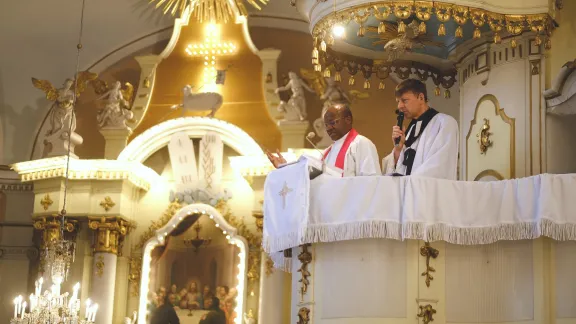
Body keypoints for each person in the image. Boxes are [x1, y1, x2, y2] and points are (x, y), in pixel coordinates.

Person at [266, 102, 380, 177]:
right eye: (326, 125)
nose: (329, 128)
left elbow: (371, 182)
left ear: (348, 120)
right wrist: (286, 167)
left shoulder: (361, 144)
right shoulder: (326, 153)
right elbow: (311, 178)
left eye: (332, 123)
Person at [382, 79, 459, 179]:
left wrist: (409, 184)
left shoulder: (444, 123)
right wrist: (398, 148)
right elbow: (401, 169)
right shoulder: (410, 130)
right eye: (398, 101)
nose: (399, 106)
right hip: (408, 190)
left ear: (421, 98)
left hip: (427, 192)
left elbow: (439, 166)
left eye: (404, 100)